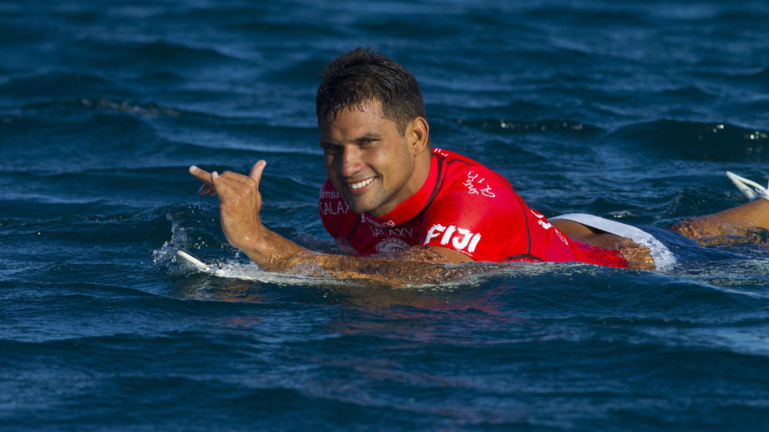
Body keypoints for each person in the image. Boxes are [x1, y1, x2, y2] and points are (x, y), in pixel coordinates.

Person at [189, 47, 769, 283]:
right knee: (696, 227)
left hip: (635, 263)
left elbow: (416, 277)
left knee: (703, 241)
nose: (347, 165)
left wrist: (261, 244)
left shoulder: (472, 200)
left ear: (417, 134)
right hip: (551, 230)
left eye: (367, 143)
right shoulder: (339, 195)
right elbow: (365, 260)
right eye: (332, 149)